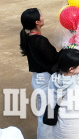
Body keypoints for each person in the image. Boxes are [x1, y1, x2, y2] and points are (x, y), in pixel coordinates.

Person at [20, 8, 58, 139]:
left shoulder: (29, 38)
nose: (43, 17)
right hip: (45, 80)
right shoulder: (40, 41)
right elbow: (54, 60)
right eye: (41, 15)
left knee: (46, 112)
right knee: (48, 114)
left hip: (38, 78)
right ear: (37, 22)